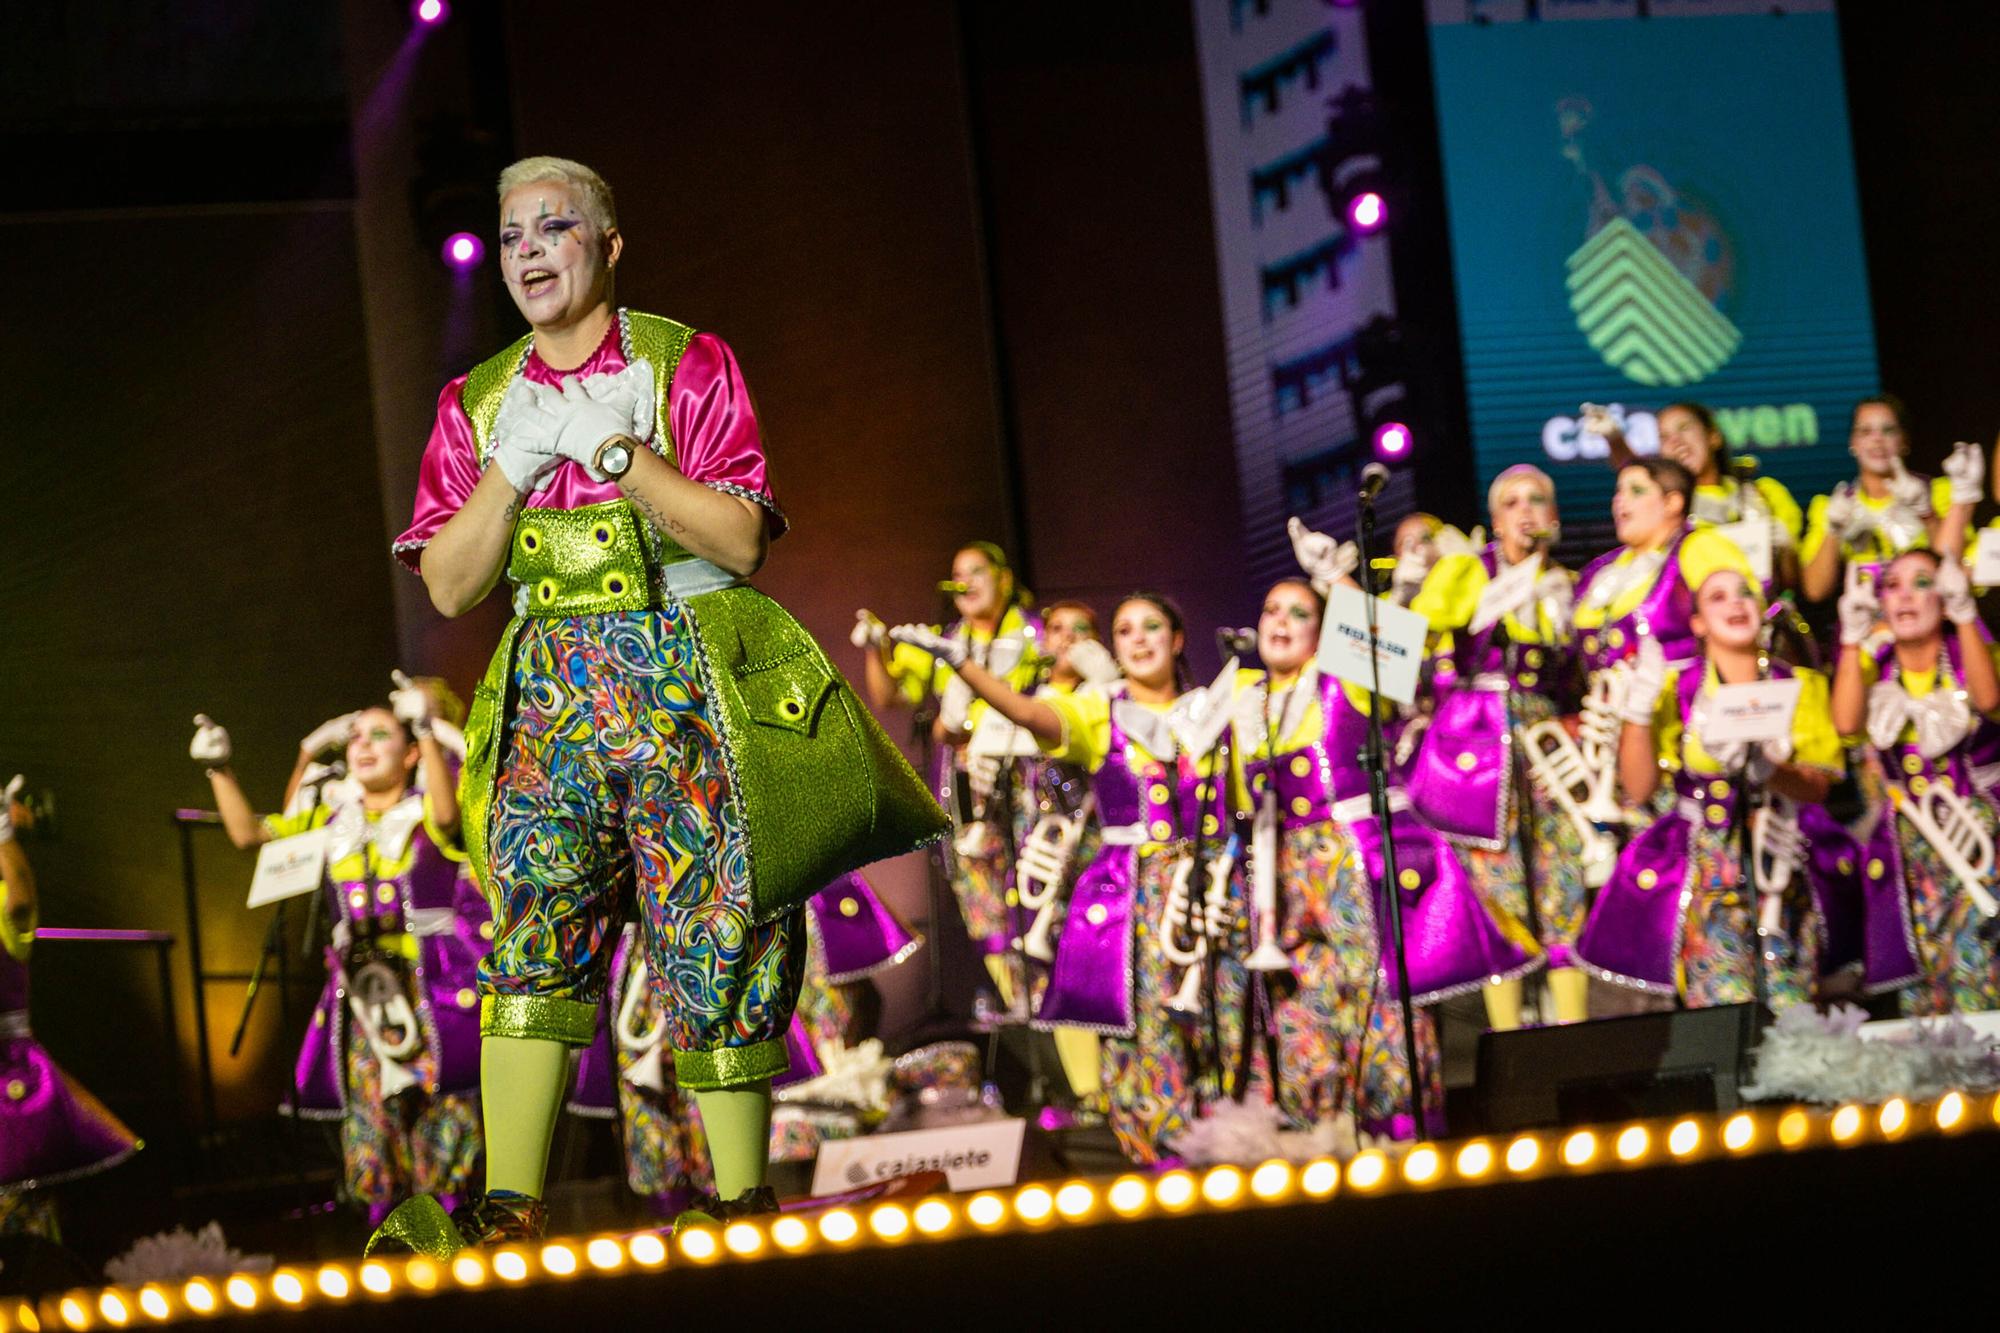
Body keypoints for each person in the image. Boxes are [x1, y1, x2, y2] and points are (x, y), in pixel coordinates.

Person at [375, 155, 940, 1252]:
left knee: (724, 926)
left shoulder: (689, 362)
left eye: (555, 229)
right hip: (552, 690)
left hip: (686, 676)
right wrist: (513, 466)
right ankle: (507, 1210)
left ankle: (739, 1203)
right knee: (534, 926)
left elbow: (739, 542)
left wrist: (622, 451)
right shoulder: (477, 399)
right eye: (512, 238)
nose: (530, 253)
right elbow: (450, 584)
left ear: (609, 244)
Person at [891, 595, 1253, 1161]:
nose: (1138, 639)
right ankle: (1159, 1166)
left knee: (1224, 1030)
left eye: (1152, 626)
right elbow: (1030, 714)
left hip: (1210, 896)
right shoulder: (1098, 711)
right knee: (1144, 1041)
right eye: (1124, 629)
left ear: (1178, 638)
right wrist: (965, 667)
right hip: (1133, 903)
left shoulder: (1216, 709)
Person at [1229, 576, 1528, 1138]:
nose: (1280, 621)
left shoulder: (1343, 681)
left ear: (1323, 634)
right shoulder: (1245, 704)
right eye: (1271, 609)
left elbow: (1398, 653)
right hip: (1283, 868)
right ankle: (1316, 1126)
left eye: (1299, 613)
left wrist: (1338, 584)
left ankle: (1395, 1127)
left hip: (1350, 858)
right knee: (1298, 996)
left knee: (1378, 992)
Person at [191, 689, 485, 1227]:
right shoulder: (333, 820)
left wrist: (425, 728)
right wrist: (219, 769)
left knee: (443, 1140)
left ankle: (457, 1261)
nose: (362, 745)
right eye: (355, 737)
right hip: (364, 1002)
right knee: (373, 1139)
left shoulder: (425, 810)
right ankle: (384, 1264)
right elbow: (250, 834)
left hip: (432, 997)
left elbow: (449, 817)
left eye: (380, 735)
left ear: (411, 753)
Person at [1576, 566, 1842, 1010]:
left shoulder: (1798, 685)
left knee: (1791, 1007)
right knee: (1726, 1008)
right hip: (1706, 874)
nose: (1736, 603)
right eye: (1718, 597)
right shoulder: (1677, 689)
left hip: (1778, 867)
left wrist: (1768, 770)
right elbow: (1639, 790)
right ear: (1696, 622)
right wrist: (1638, 714)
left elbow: (1818, 788)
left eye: (1745, 594)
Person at [1408, 464, 1592, 1028]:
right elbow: (1414, 637)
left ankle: (1576, 1033)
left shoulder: (1570, 585)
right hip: (1479, 751)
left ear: (1554, 516)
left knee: (1561, 883)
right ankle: (1510, 1041)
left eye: (1538, 500)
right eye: (1513, 502)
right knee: (1496, 891)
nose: (1527, 511)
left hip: (1547, 750)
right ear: (1495, 519)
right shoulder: (1469, 570)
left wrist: (1579, 721)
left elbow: (1585, 677)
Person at [854, 543, 1044, 1012]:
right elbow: (894, 695)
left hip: (1025, 779)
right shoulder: (944, 640)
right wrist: (878, 647)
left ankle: (1051, 997)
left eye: (977, 571)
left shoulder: (1034, 633)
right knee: (982, 897)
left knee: (1038, 888)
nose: (966, 582)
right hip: (964, 787)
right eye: (957, 574)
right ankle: (1017, 999)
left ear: (1003, 577)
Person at [1831, 551, 2000, 1013]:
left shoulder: (1973, 657)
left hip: (1980, 842)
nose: (1904, 593)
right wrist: (1850, 640)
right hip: (1910, 852)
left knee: (1980, 973)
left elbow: (1988, 700)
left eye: (1921, 582)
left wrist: (1965, 614)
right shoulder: (1874, 667)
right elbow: (1845, 724)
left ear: (1943, 598)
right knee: (1924, 989)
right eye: (1892, 585)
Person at [0, 776, 141, 1241]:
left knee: (23, 1226)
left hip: (9, 1088)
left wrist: (3, 831)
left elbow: (20, 898)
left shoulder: (4, 907)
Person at [1799, 395, 1978, 602]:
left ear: (1904, 441)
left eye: (1888, 430)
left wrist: (1926, 514)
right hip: (1867, 627)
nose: (1877, 439)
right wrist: (1833, 532)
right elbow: (1815, 590)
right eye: (1865, 431)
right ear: (1852, 443)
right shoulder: (1831, 507)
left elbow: (1953, 569)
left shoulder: (1939, 492)